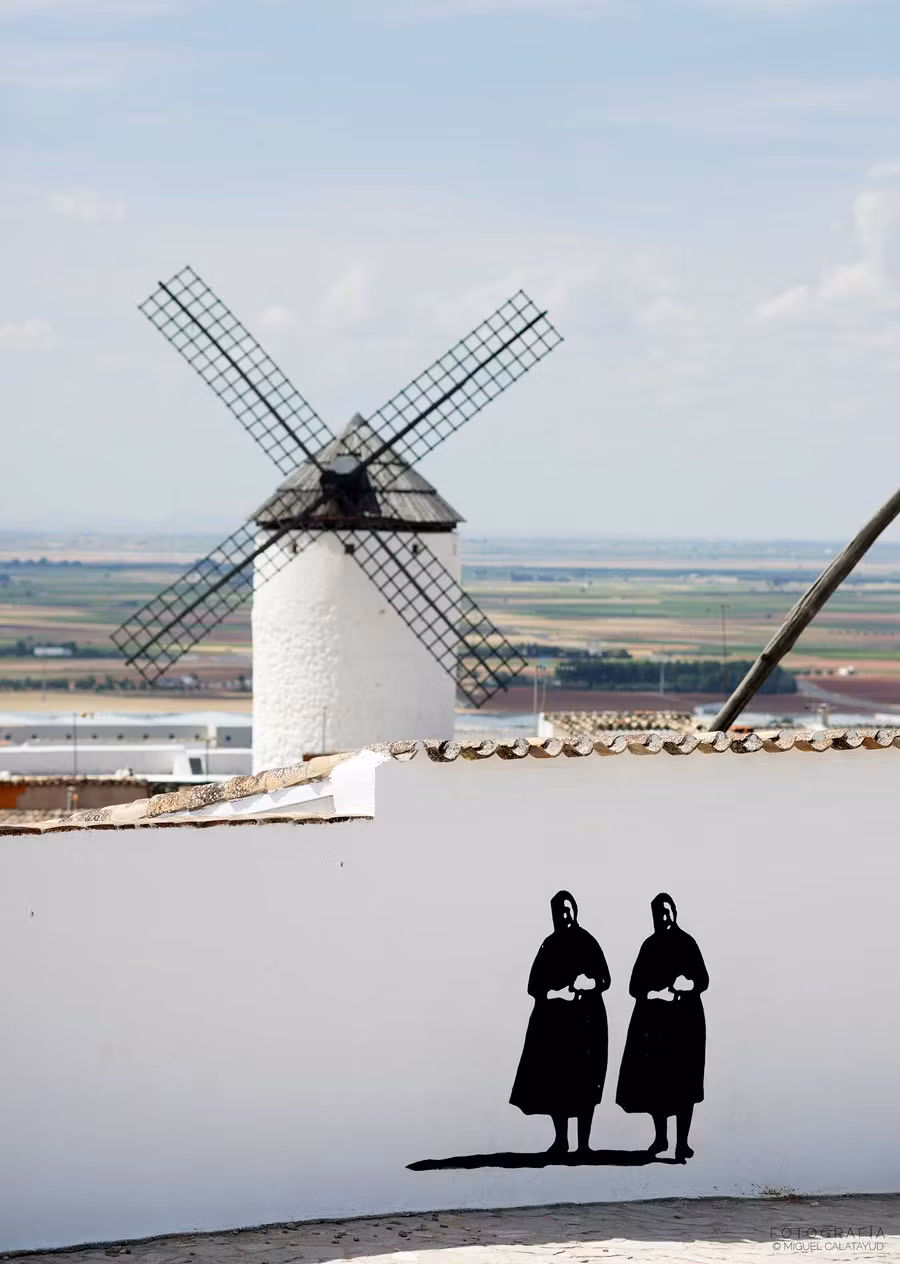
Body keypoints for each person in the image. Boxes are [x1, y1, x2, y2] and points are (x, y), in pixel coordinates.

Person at [510, 890, 611, 1155]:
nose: (564, 915)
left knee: (585, 1085)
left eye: (568, 909)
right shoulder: (549, 944)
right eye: (559, 911)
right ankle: (561, 1141)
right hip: (556, 1027)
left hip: (586, 1027)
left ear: (575, 910)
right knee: (558, 1084)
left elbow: (605, 979)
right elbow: (534, 986)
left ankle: (584, 1145)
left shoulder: (588, 942)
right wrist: (556, 993)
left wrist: (587, 984)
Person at [615, 892, 709, 1162]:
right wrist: (656, 993)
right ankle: (661, 1137)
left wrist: (687, 985)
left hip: (685, 1026)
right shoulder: (649, 946)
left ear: (675, 912)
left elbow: (703, 979)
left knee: (685, 1086)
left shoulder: (688, 943)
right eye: (659, 912)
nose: (664, 917)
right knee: (658, 1086)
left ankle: (682, 1143)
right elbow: (635, 986)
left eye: (667, 911)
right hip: (656, 1029)